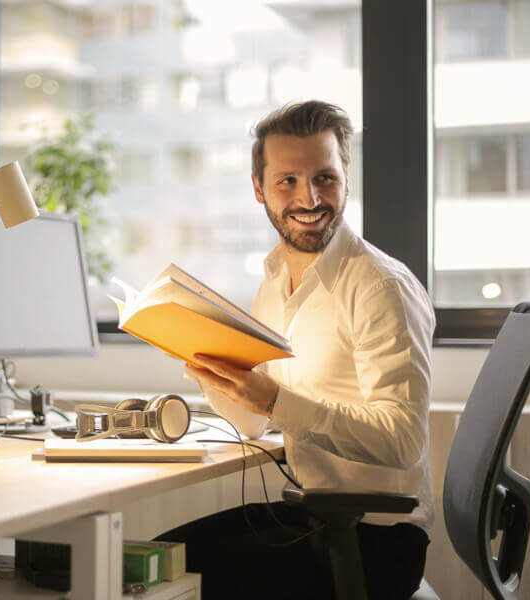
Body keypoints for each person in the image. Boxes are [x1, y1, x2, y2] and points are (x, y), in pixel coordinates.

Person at [156, 101, 435, 599]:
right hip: (313, 517)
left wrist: (272, 400)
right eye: (287, 181)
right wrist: (208, 367)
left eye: (325, 177)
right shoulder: (274, 281)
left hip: (376, 541)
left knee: (164, 583)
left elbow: (403, 439)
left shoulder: (379, 286)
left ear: (346, 178)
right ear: (258, 189)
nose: (309, 197)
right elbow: (253, 425)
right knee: (150, 560)